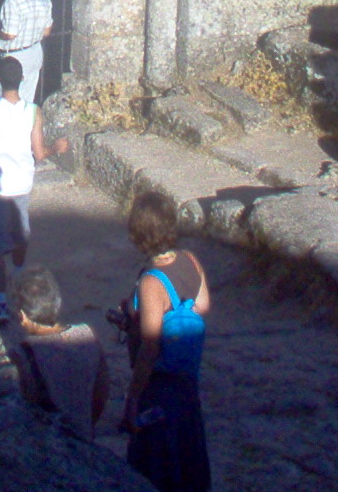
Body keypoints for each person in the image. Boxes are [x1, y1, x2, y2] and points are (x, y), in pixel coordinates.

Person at [119, 188, 210, 492]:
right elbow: (202, 305)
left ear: (139, 234)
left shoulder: (151, 282)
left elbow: (150, 345)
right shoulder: (191, 260)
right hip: (187, 377)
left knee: (156, 464)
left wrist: (132, 397)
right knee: (188, 454)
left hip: (158, 384)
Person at [0, 54, 69, 325]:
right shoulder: (33, 111)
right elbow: (39, 152)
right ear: (23, 79)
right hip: (23, 183)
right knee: (20, 233)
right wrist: (55, 148)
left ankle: (0, 303)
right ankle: (19, 278)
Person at [0, 265, 110, 440]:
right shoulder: (87, 336)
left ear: (23, 316)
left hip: (49, 448)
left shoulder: (22, 355)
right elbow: (101, 393)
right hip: (84, 437)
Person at [0, 0, 55, 102]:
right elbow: (46, 31)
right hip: (35, 52)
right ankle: (26, 124)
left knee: (9, 99)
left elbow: (10, 34)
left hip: (15, 57)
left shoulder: (13, 0)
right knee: (28, 98)